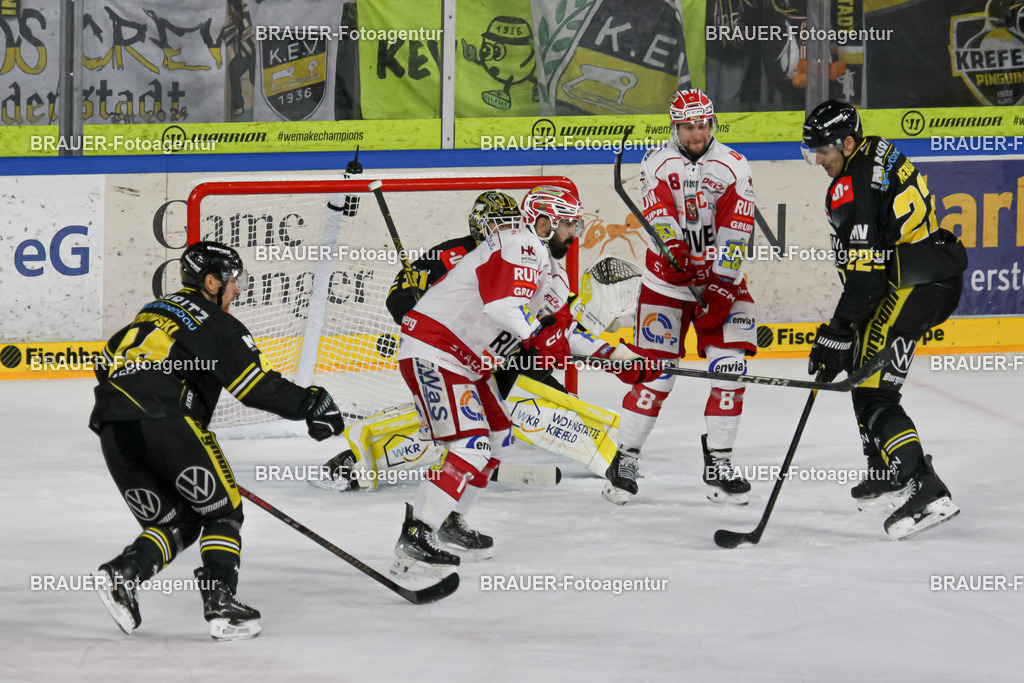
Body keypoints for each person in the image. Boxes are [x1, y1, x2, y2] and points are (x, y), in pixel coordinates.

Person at [389, 186, 656, 577]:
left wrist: (617, 356)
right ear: (544, 222)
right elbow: (502, 307)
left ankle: (448, 519)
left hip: (468, 363)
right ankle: (418, 531)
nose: (575, 233)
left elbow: (561, 335)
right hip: (435, 349)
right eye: (568, 224)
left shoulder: (553, 273)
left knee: (497, 438)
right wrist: (536, 334)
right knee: (472, 444)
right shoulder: (518, 242)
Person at [90, 241, 345, 640]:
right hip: (168, 421)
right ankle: (221, 606)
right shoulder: (216, 323)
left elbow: (104, 361)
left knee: (180, 520)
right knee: (223, 512)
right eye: (232, 281)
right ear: (211, 281)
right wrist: (311, 404)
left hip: (111, 427)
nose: (236, 290)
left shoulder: (152, 311)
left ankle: (124, 574)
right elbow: (255, 387)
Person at [802, 100, 966, 540]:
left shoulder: (850, 187)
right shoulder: (876, 148)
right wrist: (844, 337)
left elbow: (866, 282)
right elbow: (871, 275)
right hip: (924, 272)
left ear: (847, 142)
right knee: (862, 372)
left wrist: (834, 335)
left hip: (916, 284)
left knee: (874, 394)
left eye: (823, 151)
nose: (818, 160)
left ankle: (924, 486)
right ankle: (886, 469)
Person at [603, 88, 759, 506]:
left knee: (730, 371)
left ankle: (719, 462)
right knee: (657, 375)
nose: (697, 134)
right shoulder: (656, 162)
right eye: (689, 126)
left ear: (713, 123)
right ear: (675, 126)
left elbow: (737, 228)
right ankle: (626, 458)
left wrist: (723, 286)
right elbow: (659, 214)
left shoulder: (734, 166)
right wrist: (673, 252)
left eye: (704, 124)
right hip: (665, 284)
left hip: (720, 282)